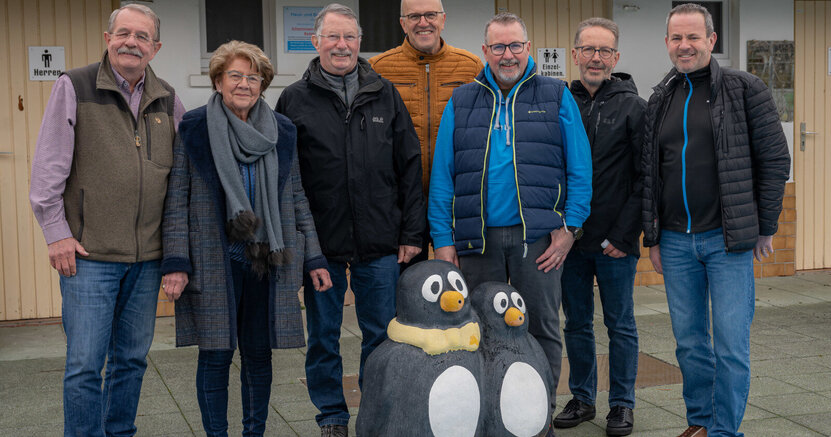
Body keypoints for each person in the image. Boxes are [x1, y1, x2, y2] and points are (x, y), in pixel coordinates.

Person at [428, 12, 592, 431]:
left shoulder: (556, 95)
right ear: (485, 51)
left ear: (527, 48)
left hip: (537, 241)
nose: (508, 55)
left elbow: (580, 169)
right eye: (499, 46)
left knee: (541, 328)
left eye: (515, 45)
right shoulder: (462, 100)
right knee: (476, 330)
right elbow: (442, 176)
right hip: (475, 241)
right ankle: (487, 418)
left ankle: (537, 418)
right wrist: (443, 241)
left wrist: (570, 229)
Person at [159, 40, 331, 437]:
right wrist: (176, 262)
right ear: (218, 81)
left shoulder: (282, 131)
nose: (244, 84)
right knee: (215, 355)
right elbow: (177, 199)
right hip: (213, 258)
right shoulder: (195, 128)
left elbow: (297, 196)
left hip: (265, 260)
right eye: (235, 75)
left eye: (253, 77)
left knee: (258, 354)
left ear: (263, 84)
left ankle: (254, 432)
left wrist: (315, 257)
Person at [28, 4, 185, 436]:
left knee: (131, 361)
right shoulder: (75, 86)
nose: (131, 42)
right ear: (108, 39)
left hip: (147, 259)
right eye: (123, 33)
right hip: (89, 256)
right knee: (84, 365)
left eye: (142, 36)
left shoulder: (168, 98)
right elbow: (48, 169)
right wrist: (56, 233)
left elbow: (184, 175)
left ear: (155, 48)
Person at [275, 4, 425, 436]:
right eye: (333, 37)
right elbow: (286, 178)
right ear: (316, 42)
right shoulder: (293, 99)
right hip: (321, 246)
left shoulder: (385, 93)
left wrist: (412, 232)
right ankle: (332, 417)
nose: (342, 46)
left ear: (360, 42)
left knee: (381, 335)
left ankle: (375, 413)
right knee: (324, 336)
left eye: (350, 37)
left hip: (380, 243)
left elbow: (409, 165)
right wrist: (299, 242)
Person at [642, 4, 790, 437]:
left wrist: (765, 226)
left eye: (693, 37)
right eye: (676, 38)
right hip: (675, 242)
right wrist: (653, 237)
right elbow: (651, 172)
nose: (684, 45)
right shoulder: (660, 98)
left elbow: (774, 159)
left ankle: (725, 430)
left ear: (712, 40)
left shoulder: (745, 89)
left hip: (727, 242)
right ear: (666, 43)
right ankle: (701, 423)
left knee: (730, 346)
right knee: (689, 345)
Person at [553, 18, 646, 437]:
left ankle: (622, 404)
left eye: (604, 50)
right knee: (575, 323)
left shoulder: (634, 107)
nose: (596, 58)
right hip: (568, 241)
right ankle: (582, 398)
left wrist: (624, 236)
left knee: (620, 325)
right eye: (588, 49)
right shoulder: (558, 103)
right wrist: (559, 230)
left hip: (615, 243)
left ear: (615, 57)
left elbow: (646, 178)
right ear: (575, 54)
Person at [369, 0, 483, 268]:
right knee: (407, 284)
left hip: (458, 201)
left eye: (430, 15)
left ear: (443, 19)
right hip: (401, 205)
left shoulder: (471, 67)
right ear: (402, 23)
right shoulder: (378, 69)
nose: (423, 22)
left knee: (460, 284)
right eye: (414, 16)